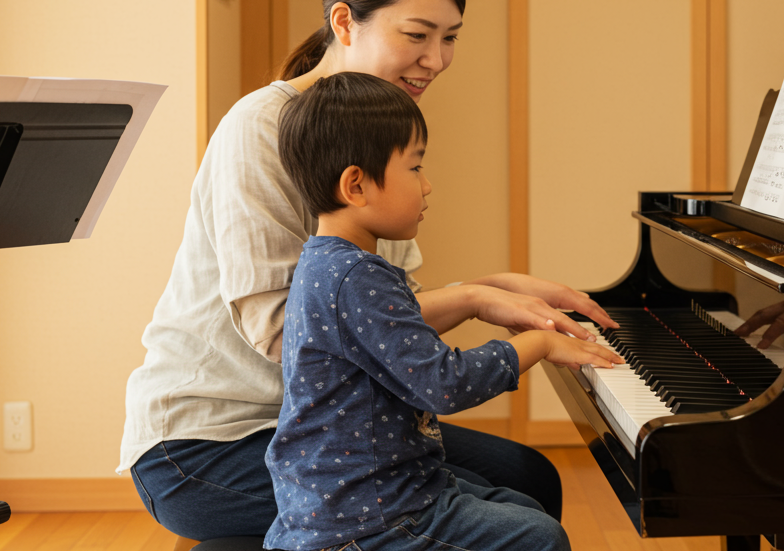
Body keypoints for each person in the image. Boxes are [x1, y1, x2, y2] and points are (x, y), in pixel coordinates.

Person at [120, 0, 617, 542]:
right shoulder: (261, 127)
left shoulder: (371, 126)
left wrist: (492, 288)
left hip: (327, 417)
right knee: (511, 508)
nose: (435, 60)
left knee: (528, 476)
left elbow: (379, 315)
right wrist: (475, 298)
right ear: (345, 22)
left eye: (450, 38)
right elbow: (286, 332)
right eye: (417, 35)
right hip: (214, 440)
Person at [267, 72, 622, 551]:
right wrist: (537, 343)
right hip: (364, 517)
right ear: (356, 185)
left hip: (377, 490)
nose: (428, 185)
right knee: (540, 537)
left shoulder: (329, 263)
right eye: (415, 168)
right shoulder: (355, 276)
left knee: (527, 510)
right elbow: (443, 384)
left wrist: (488, 291)